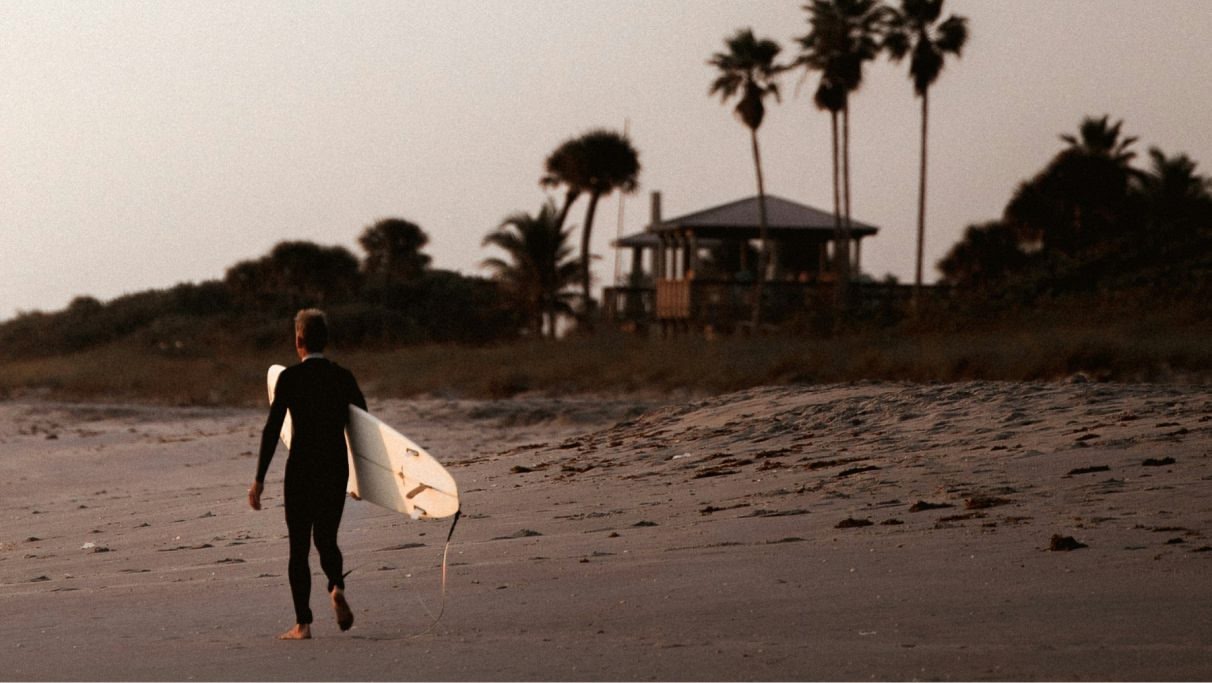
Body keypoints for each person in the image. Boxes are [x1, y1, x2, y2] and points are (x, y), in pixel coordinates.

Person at [248, 308, 367, 640]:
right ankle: (336, 587)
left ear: (298, 340)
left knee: (298, 548)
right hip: (335, 467)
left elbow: (272, 431)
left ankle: (303, 624)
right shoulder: (343, 377)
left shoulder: (290, 379)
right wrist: (362, 478)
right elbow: (364, 431)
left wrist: (259, 478)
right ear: (325, 341)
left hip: (301, 469)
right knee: (326, 538)